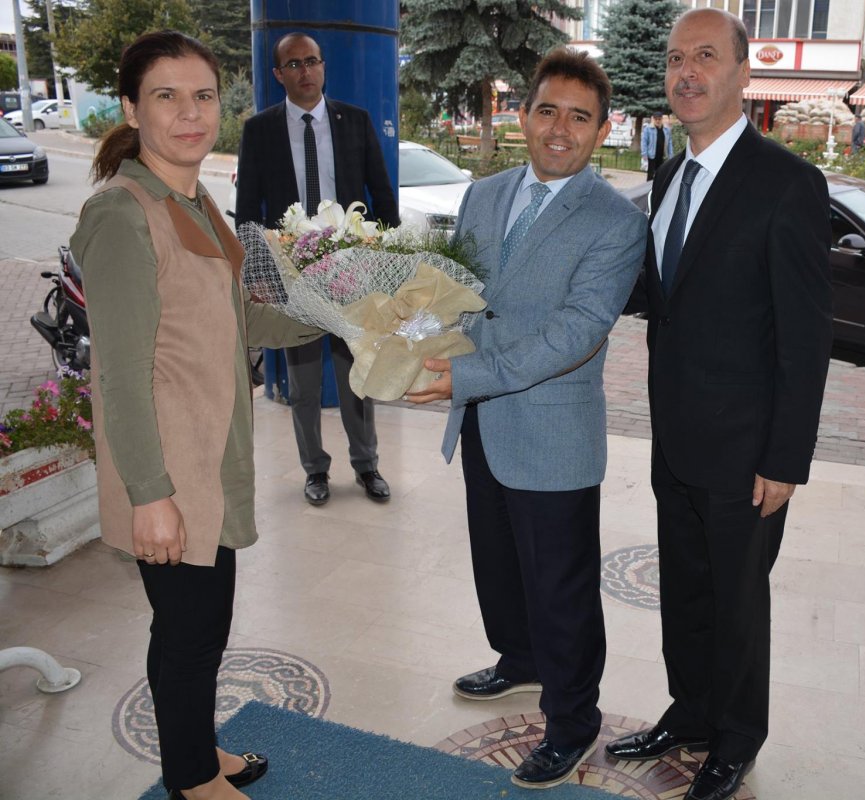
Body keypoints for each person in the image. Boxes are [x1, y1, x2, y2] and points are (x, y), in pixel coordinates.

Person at [71, 30, 324, 800]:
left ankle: (197, 750)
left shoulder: (194, 199)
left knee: (202, 627)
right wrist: (150, 495)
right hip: (170, 470)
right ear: (131, 109)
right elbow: (119, 375)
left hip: (211, 459)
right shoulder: (123, 214)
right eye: (166, 96)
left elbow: (242, 319)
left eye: (203, 96)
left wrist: (340, 314)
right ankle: (191, 779)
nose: (190, 113)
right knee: (187, 632)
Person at [604, 10, 832, 800]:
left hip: (747, 451)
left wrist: (785, 458)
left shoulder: (788, 183)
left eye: (705, 56)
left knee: (737, 603)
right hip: (676, 437)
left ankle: (736, 739)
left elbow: (806, 338)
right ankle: (692, 713)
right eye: (675, 59)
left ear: (743, 73)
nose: (686, 73)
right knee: (686, 588)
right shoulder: (671, 175)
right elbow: (663, 296)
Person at [405, 48, 646, 790]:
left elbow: (577, 333)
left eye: (579, 117)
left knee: (561, 588)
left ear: (602, 130)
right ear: (523, 114)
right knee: (500, 562)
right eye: (547, 111)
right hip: (481, 419)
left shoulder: (615, 221)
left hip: (551, 430)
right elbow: (458, 292)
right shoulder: (484, 194)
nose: (560, 129)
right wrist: (405, 337)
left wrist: (468, 377)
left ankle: (572, 721)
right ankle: (519, 658)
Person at [235, 32, 400, 507]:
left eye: (311, 61)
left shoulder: (355, 121)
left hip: (351, 274)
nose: (304, 71)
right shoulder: (260, 130)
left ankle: (367, 465)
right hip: (294, 279)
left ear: (323, 67)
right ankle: (315, 469)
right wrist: (259, 274)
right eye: (293, 64)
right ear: (278, 74)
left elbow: (381, 194)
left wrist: (385, 261)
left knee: (357, 375)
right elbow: (247, 209)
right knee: (304, 384)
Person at [641, 110, 674, 180]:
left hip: (662, 156)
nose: (657, 121)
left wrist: (670, 155)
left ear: (662, 119)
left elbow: (669, 143)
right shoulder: (648, 129)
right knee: (650, 176)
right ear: (653, 119)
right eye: (656, 119)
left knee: (660, 175)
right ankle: (650, 187)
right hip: (652, 155)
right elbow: (644, 142)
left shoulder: (666, 130)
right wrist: (644, 154)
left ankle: (658, 187)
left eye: (659, 119)